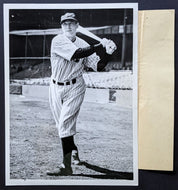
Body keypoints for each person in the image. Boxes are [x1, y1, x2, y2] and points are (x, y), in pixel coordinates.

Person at [47, 12, 117, 176]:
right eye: (65, 23)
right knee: (62, 127)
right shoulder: (57, 41)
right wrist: (100, 45)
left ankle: (66, 166)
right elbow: (77, 53)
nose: (68, 26)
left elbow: (98, 66)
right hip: (55, 87)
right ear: (61, 27)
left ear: (77, 25)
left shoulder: (83, 42)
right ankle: (73, 148)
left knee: (65, 124)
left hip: (75, 87)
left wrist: (108, 52)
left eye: (71, 23)